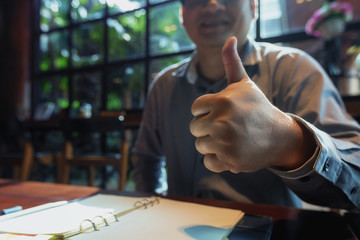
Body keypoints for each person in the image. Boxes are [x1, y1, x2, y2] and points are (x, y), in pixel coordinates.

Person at [132, 0, 360, 210]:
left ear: (253, 8)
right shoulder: (164, 85)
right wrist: (152, 210)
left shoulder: (293, 68)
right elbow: (146, 159)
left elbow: (356, 169)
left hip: (270, 230)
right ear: (182, 15)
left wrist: (290, 142)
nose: (212, 5)